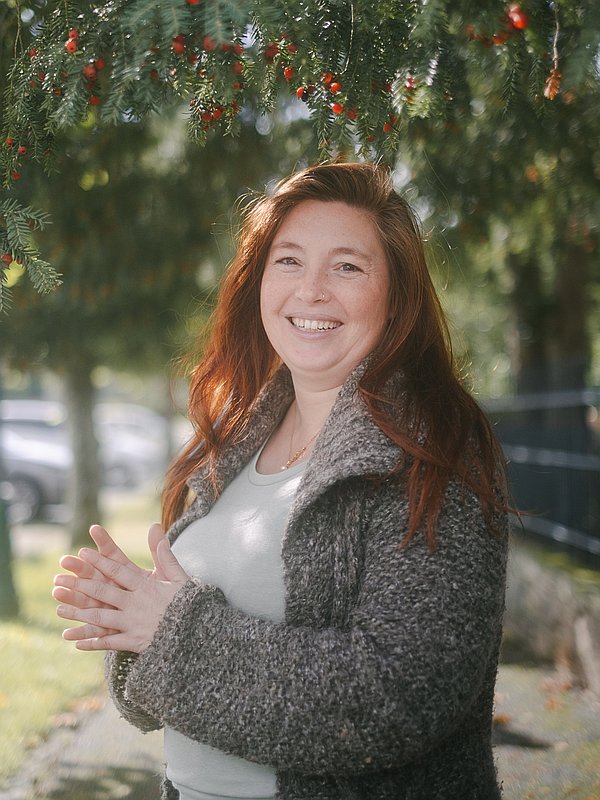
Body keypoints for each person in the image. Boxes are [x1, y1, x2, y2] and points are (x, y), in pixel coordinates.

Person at [53, 162, 509, 800]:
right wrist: (131, 617)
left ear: (398, 293)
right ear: (258, 282)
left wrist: (171, 631)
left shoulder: (433, 450)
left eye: (347, 266)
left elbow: (398, 700)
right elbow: (164, 684)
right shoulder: (233, 440)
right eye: (288, 261)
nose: (312, 290)